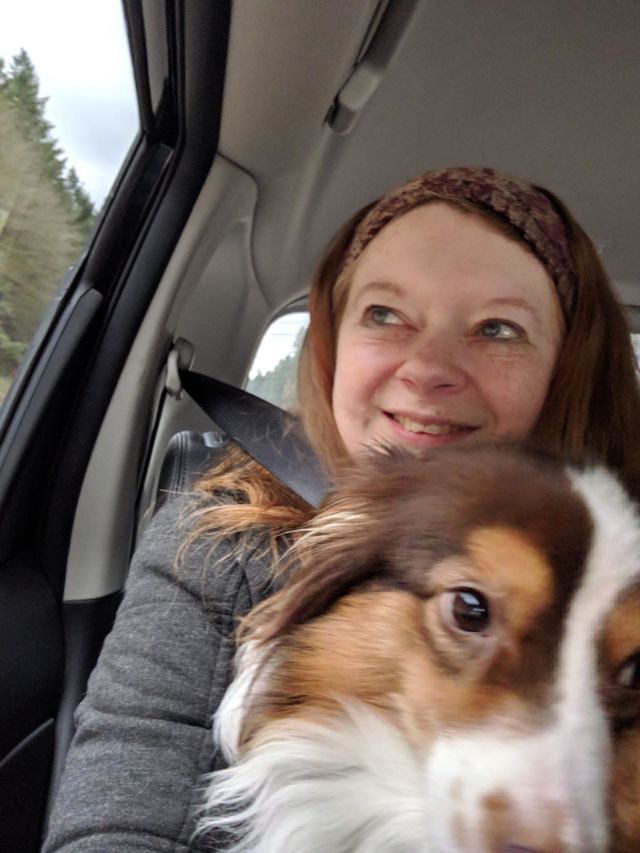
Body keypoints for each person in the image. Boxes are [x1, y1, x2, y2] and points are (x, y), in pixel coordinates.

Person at [43, 167, 640, 852]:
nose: (428, 368)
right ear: (331, 343)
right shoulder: (217, 537)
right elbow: (120, 817)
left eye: (497, 328)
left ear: (570, 366)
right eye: (384, 314)